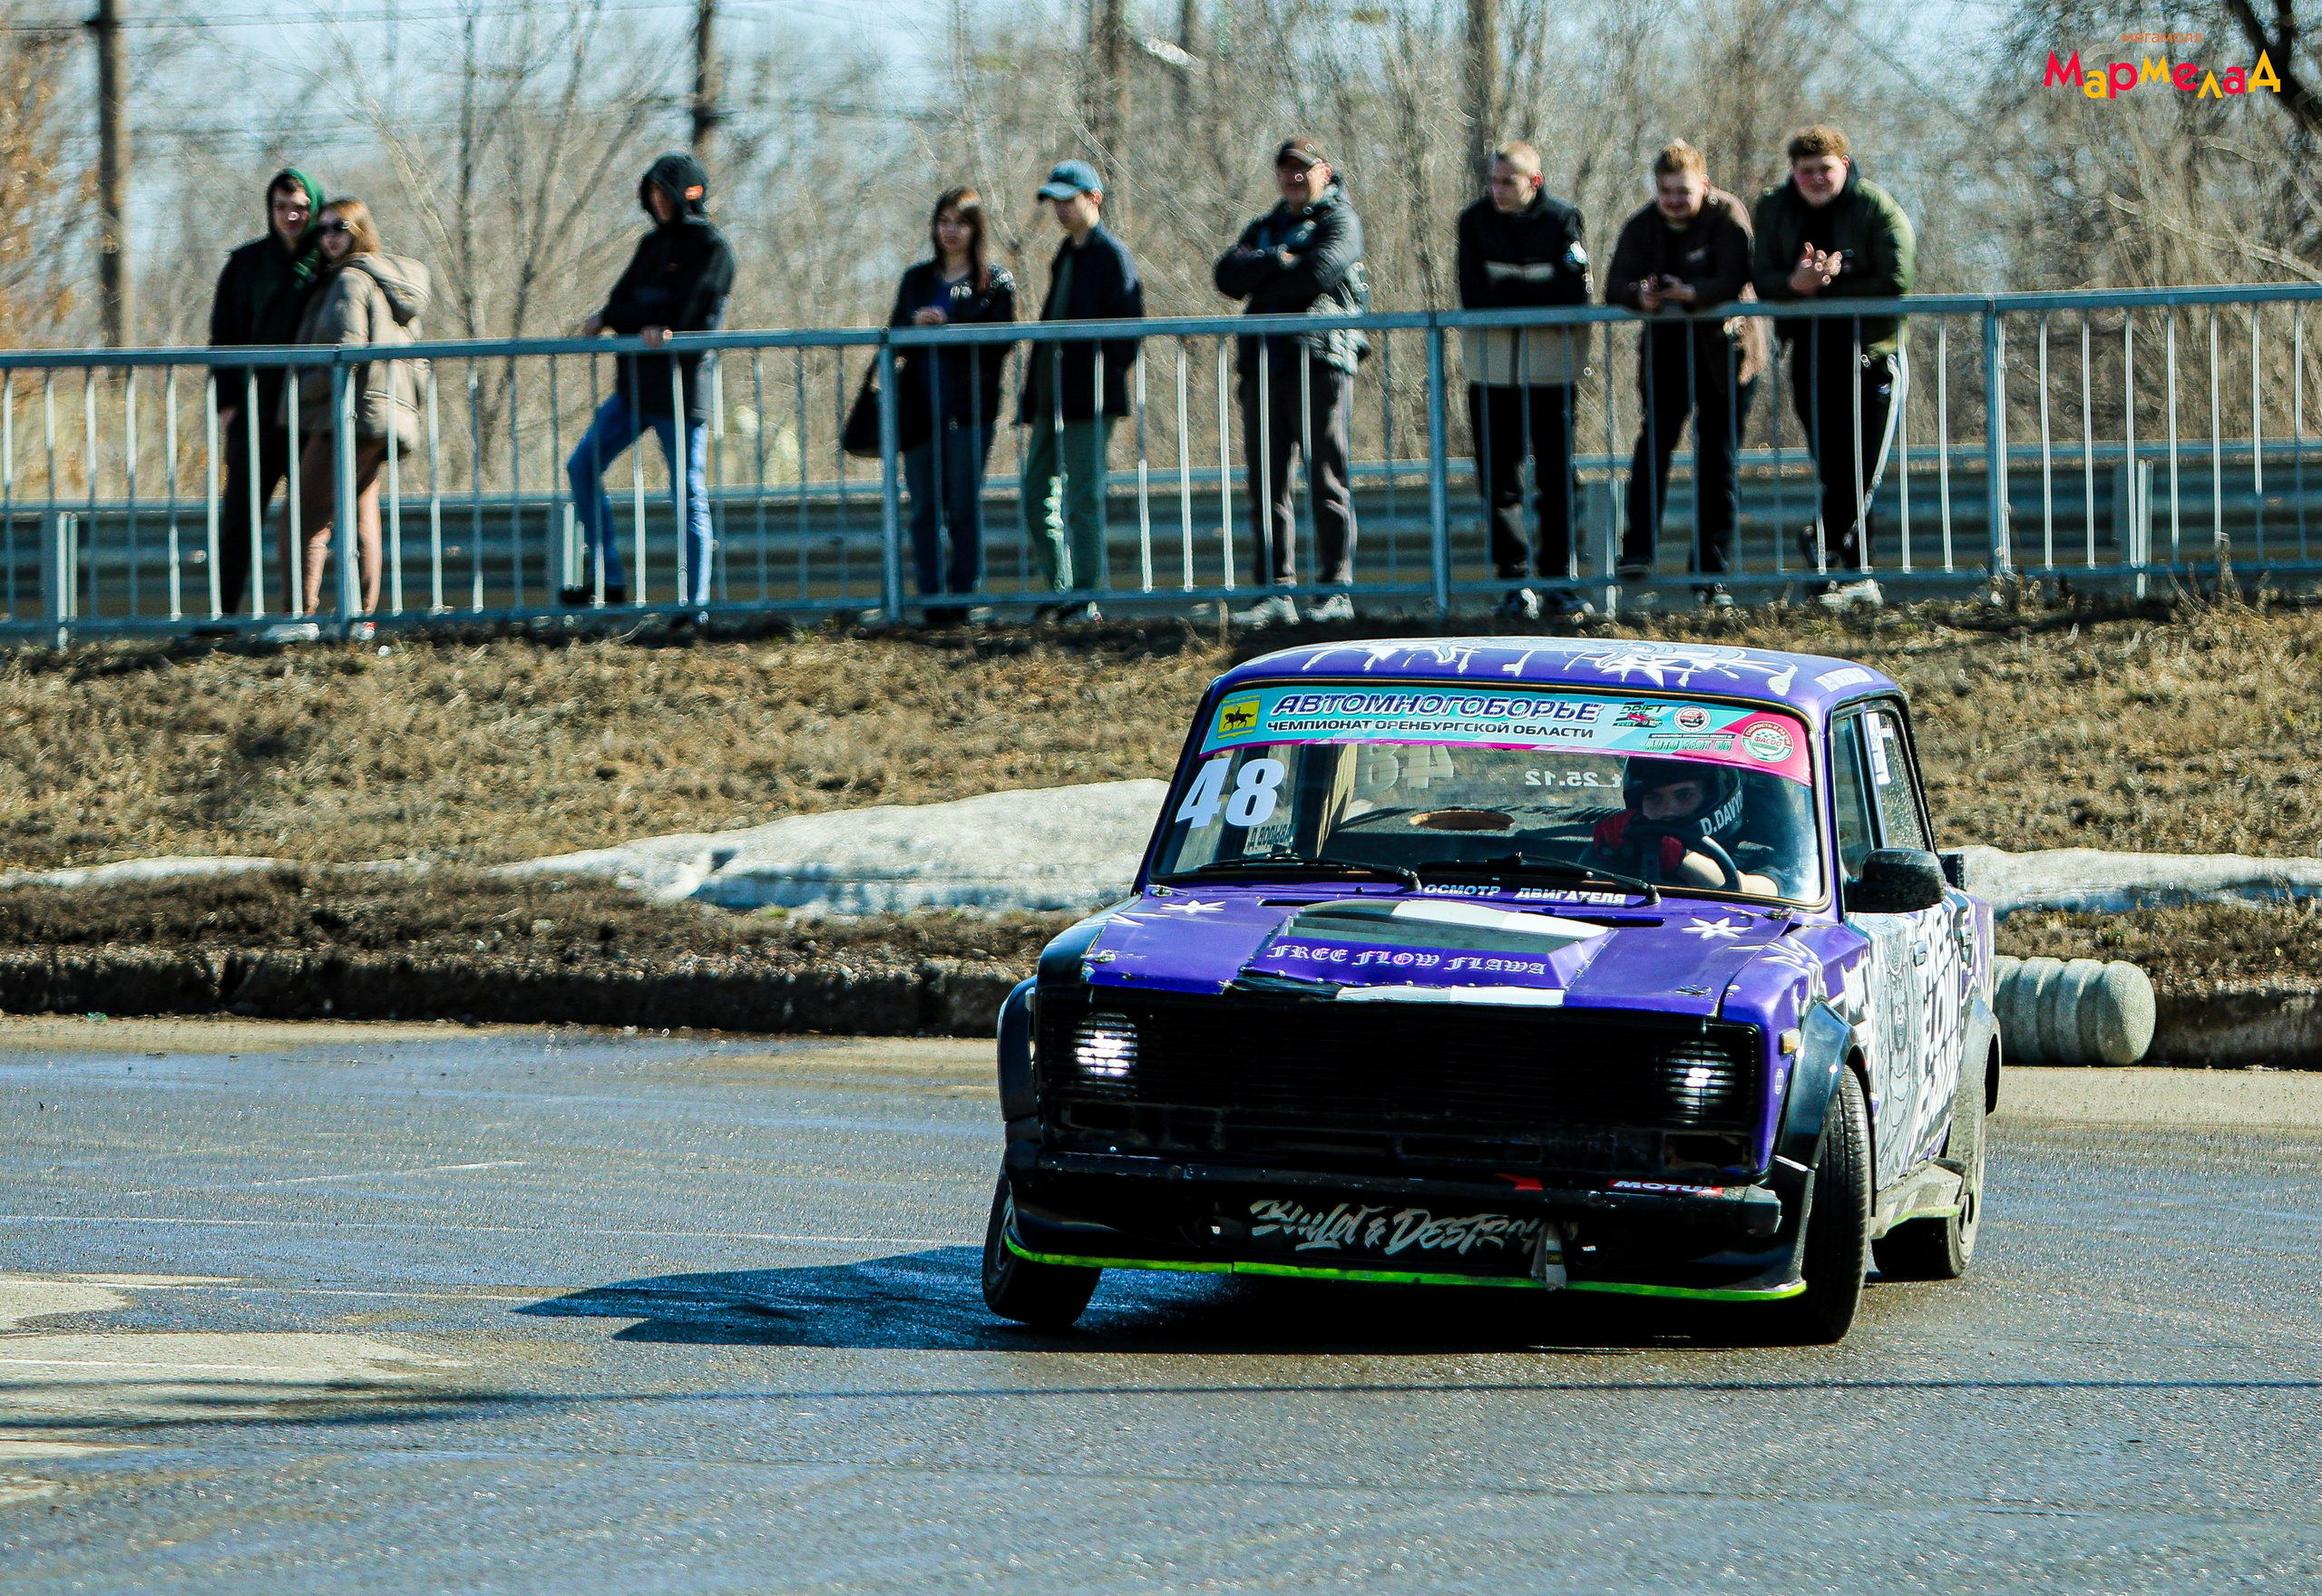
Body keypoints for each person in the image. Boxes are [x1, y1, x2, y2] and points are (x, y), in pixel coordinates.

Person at [563, 152, 737, 626]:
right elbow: (619, 304)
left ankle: (693, 606)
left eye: (666, 193)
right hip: (635, 389)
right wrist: (636, 315)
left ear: (687, 195)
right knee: (581, 466)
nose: (658, 202)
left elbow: (689, 313)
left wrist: (638, 313)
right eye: (652, 194)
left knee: (687, 493)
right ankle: (610, 578)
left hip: (682, 393)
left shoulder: (714, 249)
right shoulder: (650, 245)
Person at [1752, 124, 1917, 609]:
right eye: (1806, 172)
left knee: (1865, 467)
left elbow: (1896, 277)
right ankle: (1845, 573)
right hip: (1811, 352)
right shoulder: (1775, 208)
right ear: (1793, 173)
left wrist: (1825, 285)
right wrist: (1796, 284)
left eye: (1825, 169)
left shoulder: (1875, 206)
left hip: (1872, 352)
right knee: (1833, 465)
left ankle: (1830, 549)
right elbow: (1763, 277)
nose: (1816, 179)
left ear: (1844, 165)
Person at [1213, 135, 1367, 629]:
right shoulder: (1266, 226)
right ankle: (1275, 590)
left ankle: (1334, 590)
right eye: (1285, 169)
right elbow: (1226, 276)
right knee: (1267, 482)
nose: (1293, 177)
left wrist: (1267, 276)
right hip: (1264, 363)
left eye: (1304, 168)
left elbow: (1319, 273)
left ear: (1325, 171)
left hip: (1321, 359)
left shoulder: (1339, 220)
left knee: (1326, 476)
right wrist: (1278, 260)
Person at [1605, 140, 1763, 608]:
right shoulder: (1642, 225)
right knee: (1652, 449)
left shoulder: (1728, 216)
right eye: (1666, 191)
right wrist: (1643, 296)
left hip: (1728, 355)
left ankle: (1710, 573)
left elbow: (1735, 276)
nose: (1674, 200)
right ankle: (1637, 552)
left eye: (1684, 190)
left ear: (1706, 186)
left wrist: (1690, 292)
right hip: (1668, 355)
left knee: (1718, 462)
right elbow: (1616, 284)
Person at [1455, 141, 1591, 621]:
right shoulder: (1474, 222)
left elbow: (1573, 292)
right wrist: (1532, 292)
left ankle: (1558, 581)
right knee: (1498, 481)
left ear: (1534, 181)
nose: (1498, 190)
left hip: (1552, 373)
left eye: (1508, 181)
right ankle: (1513, 582)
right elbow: (1474, 296)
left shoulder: (1562, 219)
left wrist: (1509, 290)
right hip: (1491, 374)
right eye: (1493, 180)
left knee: (1555, 480)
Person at [283, 199, 430, 630]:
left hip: (351, 414)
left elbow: (346, 354)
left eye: (339, 227)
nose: (328, 237)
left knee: (304, 517)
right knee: (362, 513)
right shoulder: (391, 281)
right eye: (322, 229)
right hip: (385, 415)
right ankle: (363, 621)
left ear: (360, 230)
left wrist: (296, 388)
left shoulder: (350, 279)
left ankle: (300, 618)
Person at [1017, 159, 1142, 625]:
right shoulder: (1065, 254)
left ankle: (1085, 599)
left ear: (1094, 199)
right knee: (1035, 496)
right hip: (1051, 396)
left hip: (1088, 400)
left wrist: (1101, 376)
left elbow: (1129, 330)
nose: (1060, 210)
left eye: (1068, 201)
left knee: (1083, 498)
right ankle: (1062, 589)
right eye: (1055, 202)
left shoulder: (1112, 255)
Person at [888, 187, 1015, 628]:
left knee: (962, 506)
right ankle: (930, 598)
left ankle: (964, 598)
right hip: (920, 412)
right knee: (923, 507)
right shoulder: (917, 280)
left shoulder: (995, 282)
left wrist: (951, 325)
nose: (950, 231)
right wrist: (912, 324)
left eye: (960, 222)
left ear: (976, 228)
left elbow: (1003, 340)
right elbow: (893, 336)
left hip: (970, 412)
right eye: (943, 221)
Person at [206, 168, 326, 622]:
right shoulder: (246, 264)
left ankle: (307, 617)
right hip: (256, 413)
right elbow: (224, 336)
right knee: (239, 517)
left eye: (300, 207)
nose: (291, 215)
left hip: (312, 413)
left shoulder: (328, 261)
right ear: (269, 210)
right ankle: (224, 617)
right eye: (281, 207)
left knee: (312, 518)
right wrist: (228, 404)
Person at [1585, 759, 1790, 898]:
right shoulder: (1628, 848)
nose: (1668, 810)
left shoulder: (1755, 851)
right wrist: (1605, 854)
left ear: (1713, 797)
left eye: (1684, 795)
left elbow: (1757, 890)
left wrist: (1678, 857)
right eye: (1654, 798)